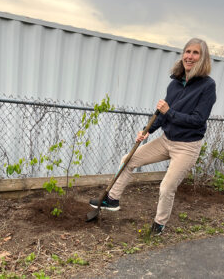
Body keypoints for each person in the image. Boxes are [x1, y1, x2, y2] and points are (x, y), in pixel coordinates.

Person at [90, 38, 216, 235]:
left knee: (166, 187)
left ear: (203, 58)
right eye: (187, 51)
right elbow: (160, 114)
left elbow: (198, 120)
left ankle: (159, 224)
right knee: (129, 159)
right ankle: (112, 199)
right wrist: (147, 130)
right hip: (166, 140)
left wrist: (169, 112)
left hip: (187, 146)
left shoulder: (207, 86)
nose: (190, 56)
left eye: (195, 53)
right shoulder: (175, 83)